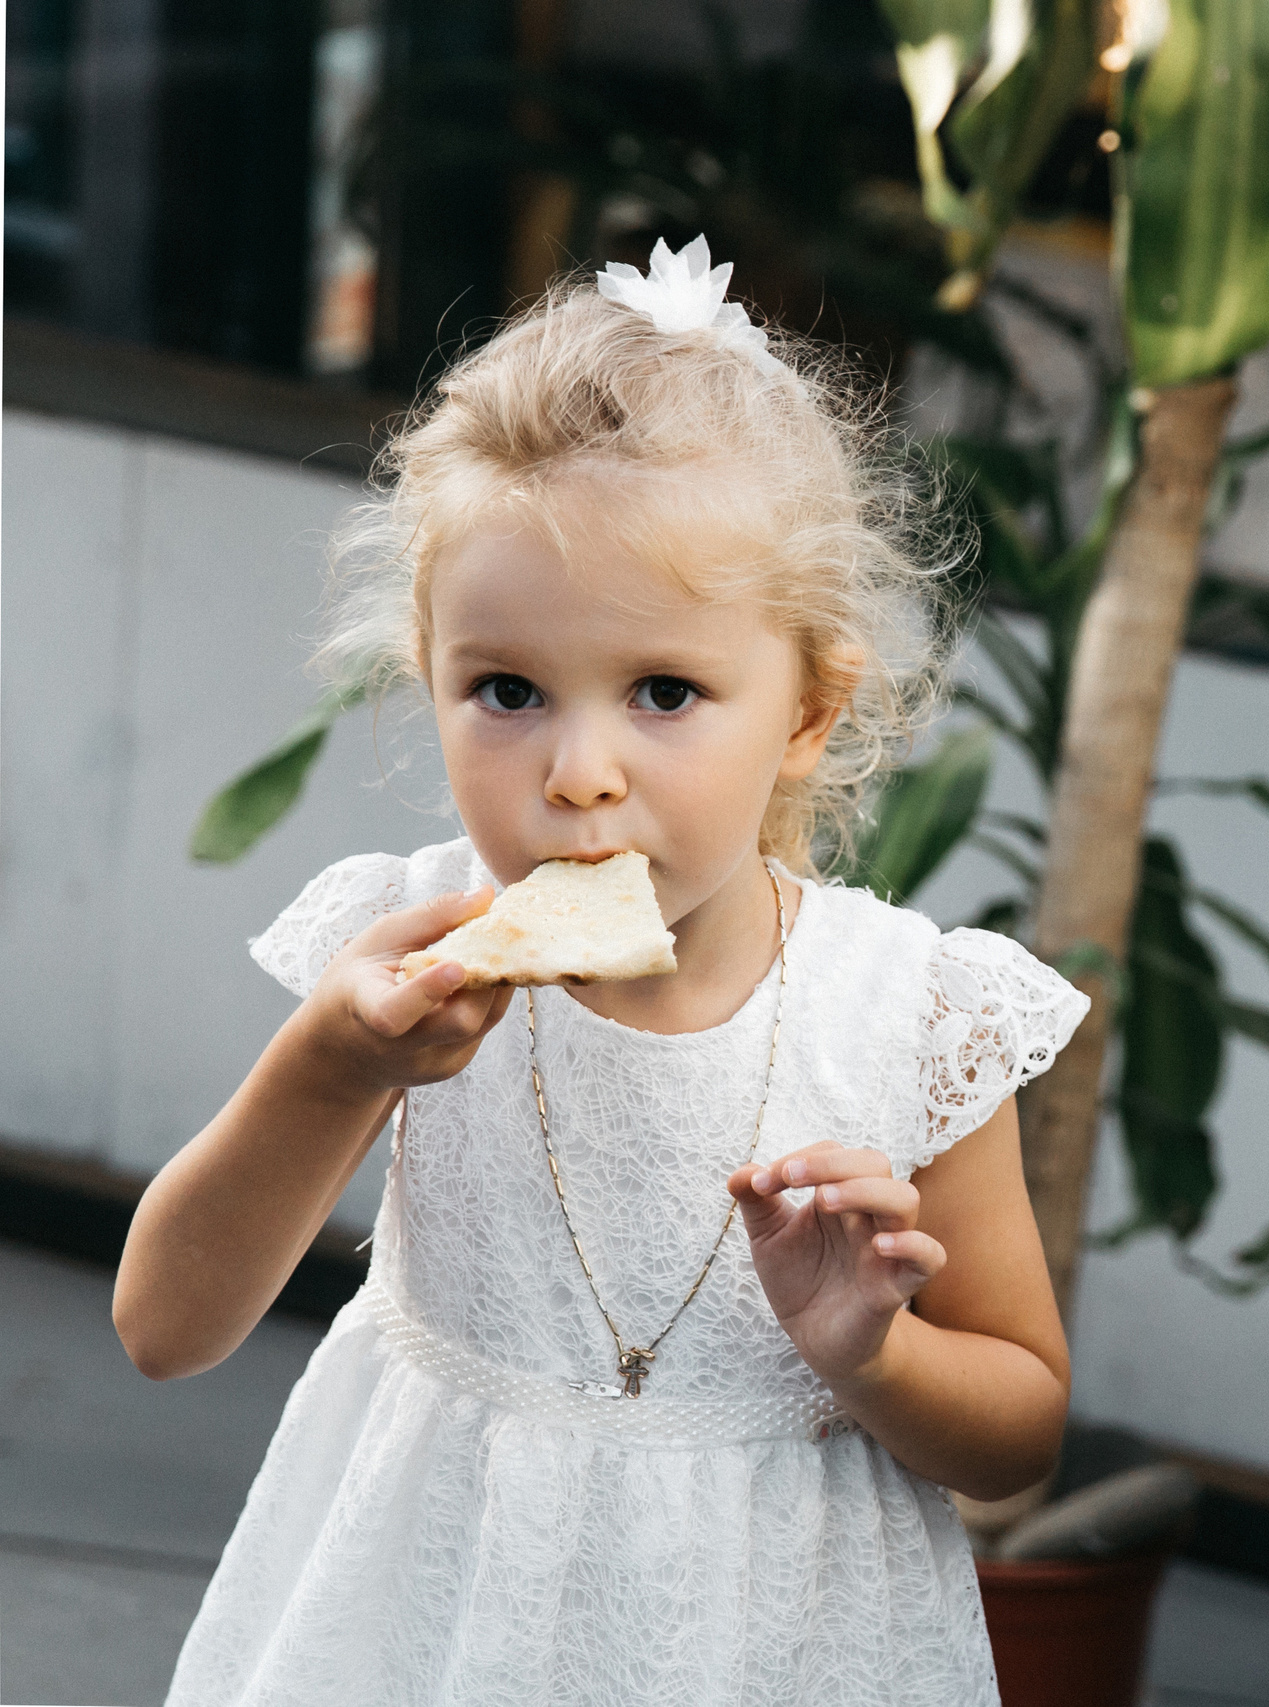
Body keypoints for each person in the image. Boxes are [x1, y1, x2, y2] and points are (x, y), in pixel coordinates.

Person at [112, 239, 1085, 1705]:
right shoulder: (402, 950)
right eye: (506, 690)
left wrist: (872, 1356)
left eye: (664, 692)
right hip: (426, 1625)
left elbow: (1019, 1432)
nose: (578, 774)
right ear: (429, 673)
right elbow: (162, 1330)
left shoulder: (910, 1016)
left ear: (809, 713)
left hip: (768, 1648)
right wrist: (330, 1065)